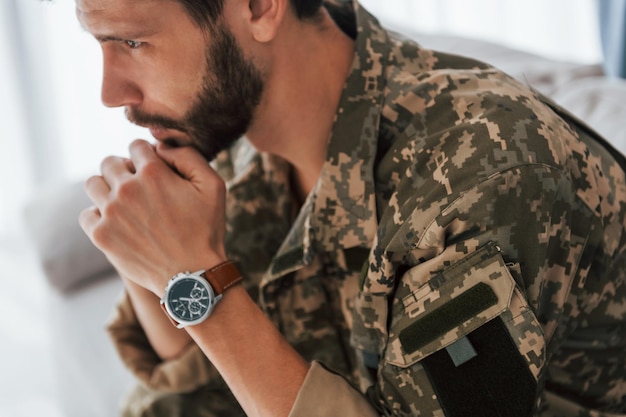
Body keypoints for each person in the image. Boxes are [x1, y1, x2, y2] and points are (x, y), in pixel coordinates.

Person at [75, 0, 626, 415]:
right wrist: (144, 255)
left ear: (260, 6)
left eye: (132, 43)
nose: (108, 91)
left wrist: (192, 278)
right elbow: (196, 372)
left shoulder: (482, 166)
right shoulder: (238, 149)